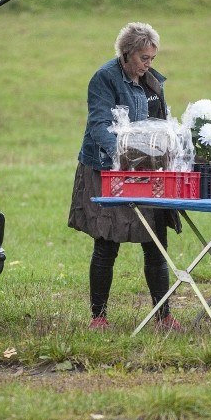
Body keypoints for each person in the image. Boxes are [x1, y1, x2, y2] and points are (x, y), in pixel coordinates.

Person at [68, 22, 182, 331]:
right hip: (110, 169)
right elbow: (99, 125)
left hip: (150, 172)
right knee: (107, 244)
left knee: (156, 243)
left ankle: (164, 316)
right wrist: (127, 155)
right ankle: (99, 318)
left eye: (152, 59)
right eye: (144, 58)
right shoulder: (104, 78)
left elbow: (161, 124)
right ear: (126, 53)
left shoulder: (153, 82)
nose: (148, 65)